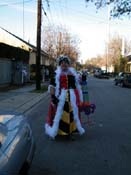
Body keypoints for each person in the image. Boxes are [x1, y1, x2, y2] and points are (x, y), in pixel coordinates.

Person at [45, 55, 85, 139]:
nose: (64, 64)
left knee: (72, 114)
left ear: (68, 64)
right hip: (60, 97)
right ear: (60, 64)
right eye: (62, 63)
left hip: (72, 97)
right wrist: (53, 97)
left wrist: (82, 79)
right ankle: (60, 132)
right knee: (61, 114)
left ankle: (70, 131)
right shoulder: (56, 74)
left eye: (66, 63)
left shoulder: (73, 73)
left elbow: (78, 84)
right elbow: (52, 85)